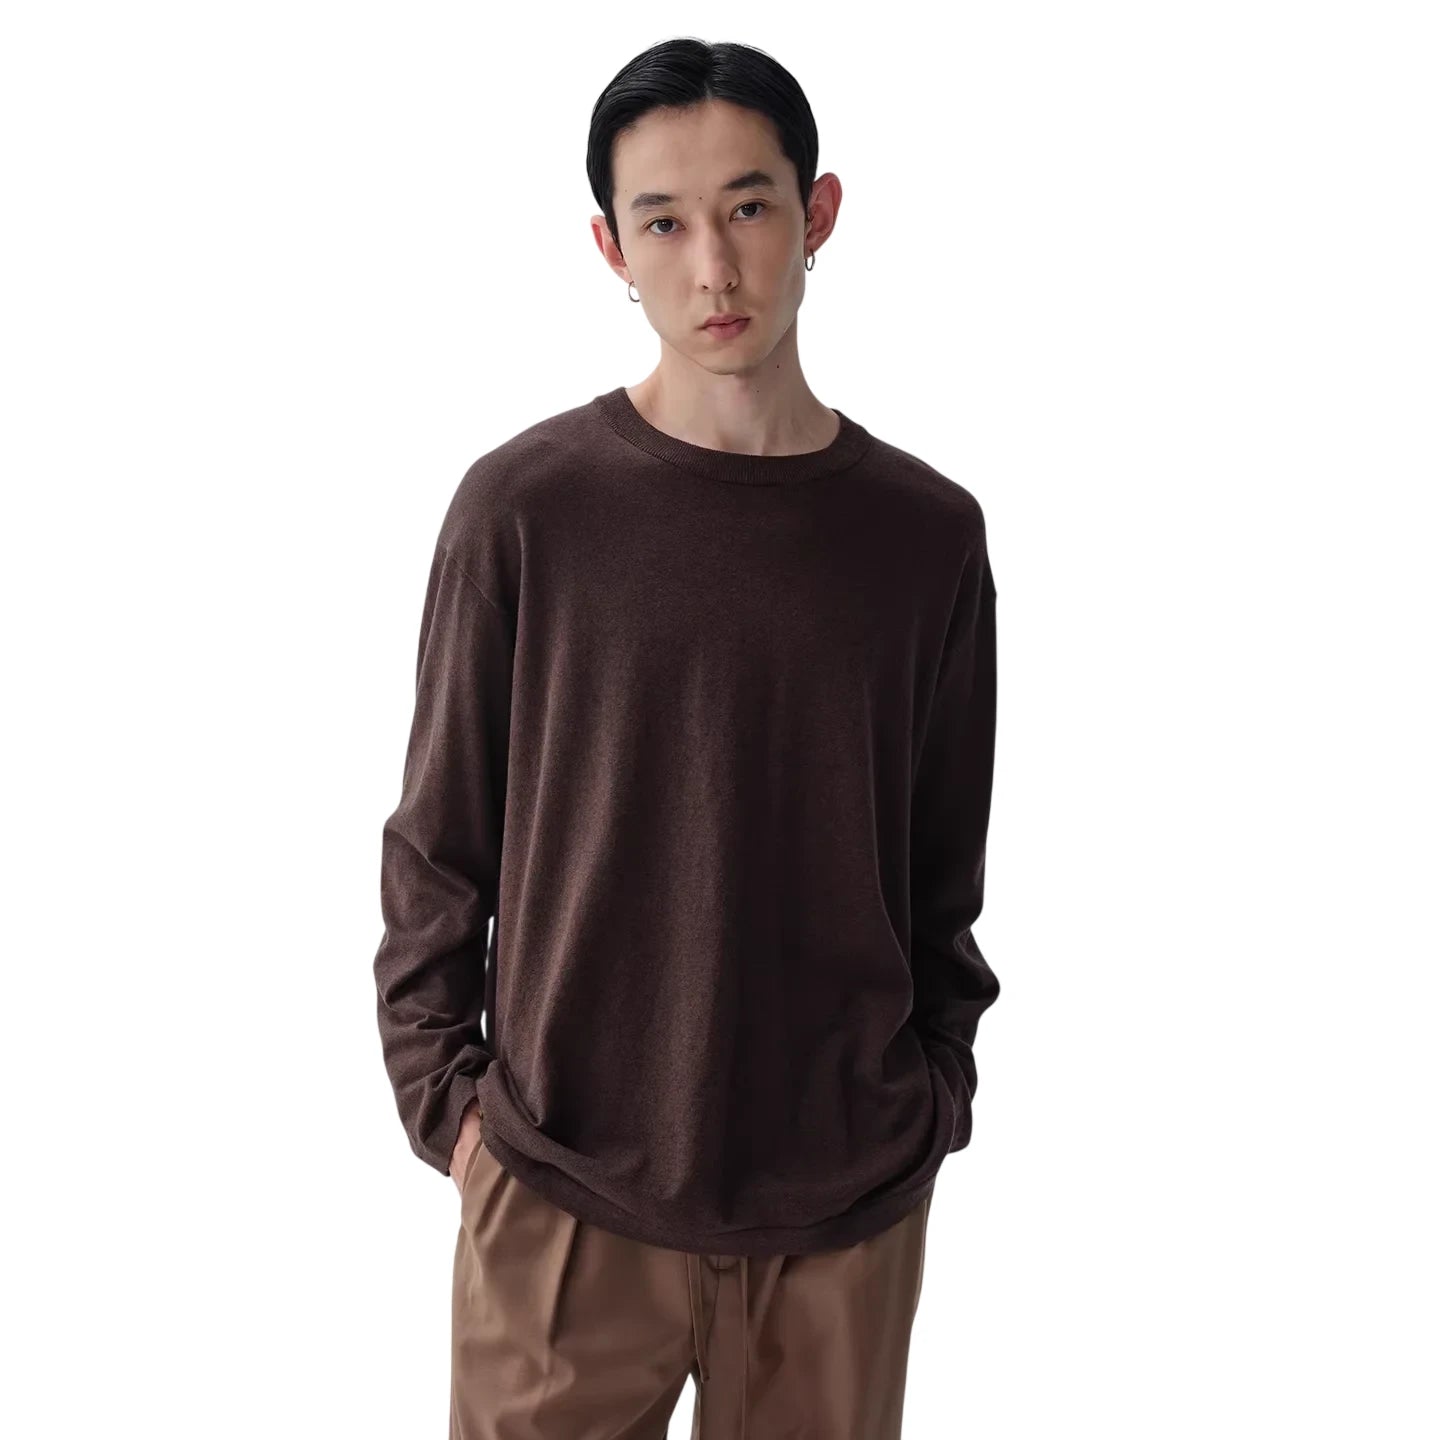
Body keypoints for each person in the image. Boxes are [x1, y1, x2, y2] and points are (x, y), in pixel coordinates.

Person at [372, 35, 1001, 1439]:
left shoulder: (926, 538)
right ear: (611, 246)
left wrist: (933, 1098)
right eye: (663, 221)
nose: (714, 265)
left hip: (843, 1209)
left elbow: (940, 872)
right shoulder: (523, 511)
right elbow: (437, 845)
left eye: (749, 206)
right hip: (562, 1195)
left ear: (817, 214)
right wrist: (455, 1117)